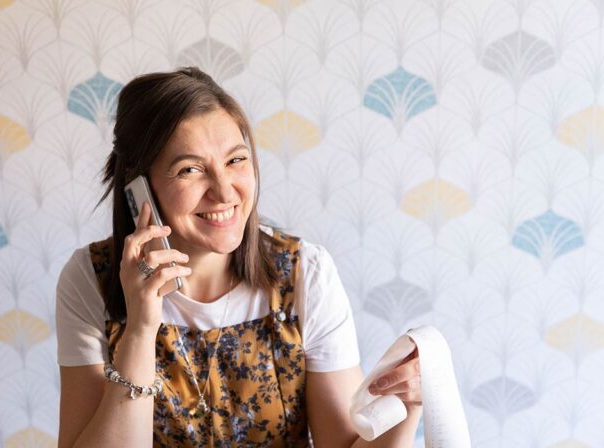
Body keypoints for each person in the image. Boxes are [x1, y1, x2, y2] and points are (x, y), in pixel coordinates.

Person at [55, 67, 423, 447]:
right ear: (139, 189)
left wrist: (404, 408)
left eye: (235, 160)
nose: (224, 191)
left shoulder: (305, 274)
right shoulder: (89, 280)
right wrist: (141, 329)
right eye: (190, 169)